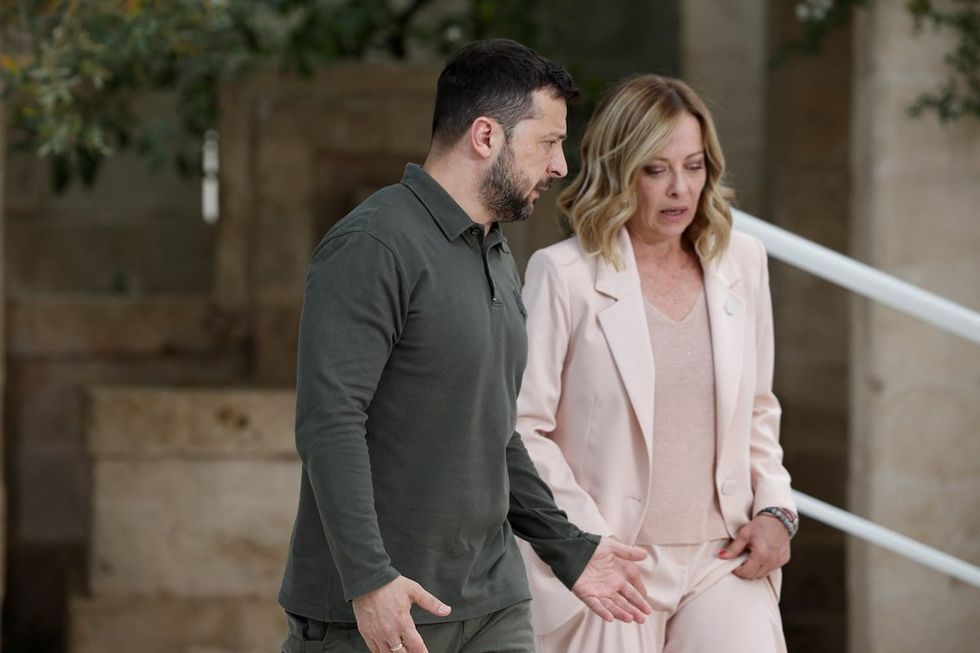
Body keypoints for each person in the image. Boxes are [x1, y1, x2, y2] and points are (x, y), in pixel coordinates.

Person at [277, 39, 653, 653]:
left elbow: (494, 427)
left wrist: (569, 549)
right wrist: (370, 579)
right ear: (486, 137)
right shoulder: (373, 246)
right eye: (549, 142)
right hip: (380, 613)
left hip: (492, 602)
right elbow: (329, 422)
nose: (561, 165)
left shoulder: (496, 251)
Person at [515, 74, 798, 652]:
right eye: (656, 169)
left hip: (724, 558)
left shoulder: (742, 261)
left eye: (693, 166)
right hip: (613, 563)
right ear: (620, 170)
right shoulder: (562, 274)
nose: (679, 189)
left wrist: (776, 509)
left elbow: (759, 409)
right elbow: (524, 427)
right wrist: (583, 541)